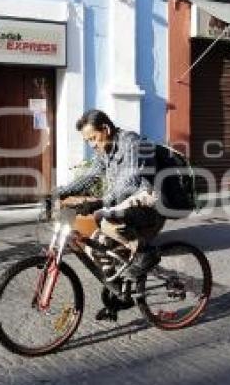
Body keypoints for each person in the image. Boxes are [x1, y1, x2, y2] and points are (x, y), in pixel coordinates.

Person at [53, 109, 164, 279]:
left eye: (93, 138)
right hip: (125, 206)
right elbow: (89, 176)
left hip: (148, 207)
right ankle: (116, 288)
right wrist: (59, 193)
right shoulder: (104, 151)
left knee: (102, 217)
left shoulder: (133, 144)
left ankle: (145, 252)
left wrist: (99, 202)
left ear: (106, 129)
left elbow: (130, 184)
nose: (91, 144)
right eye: (87, 141)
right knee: (95, 247)